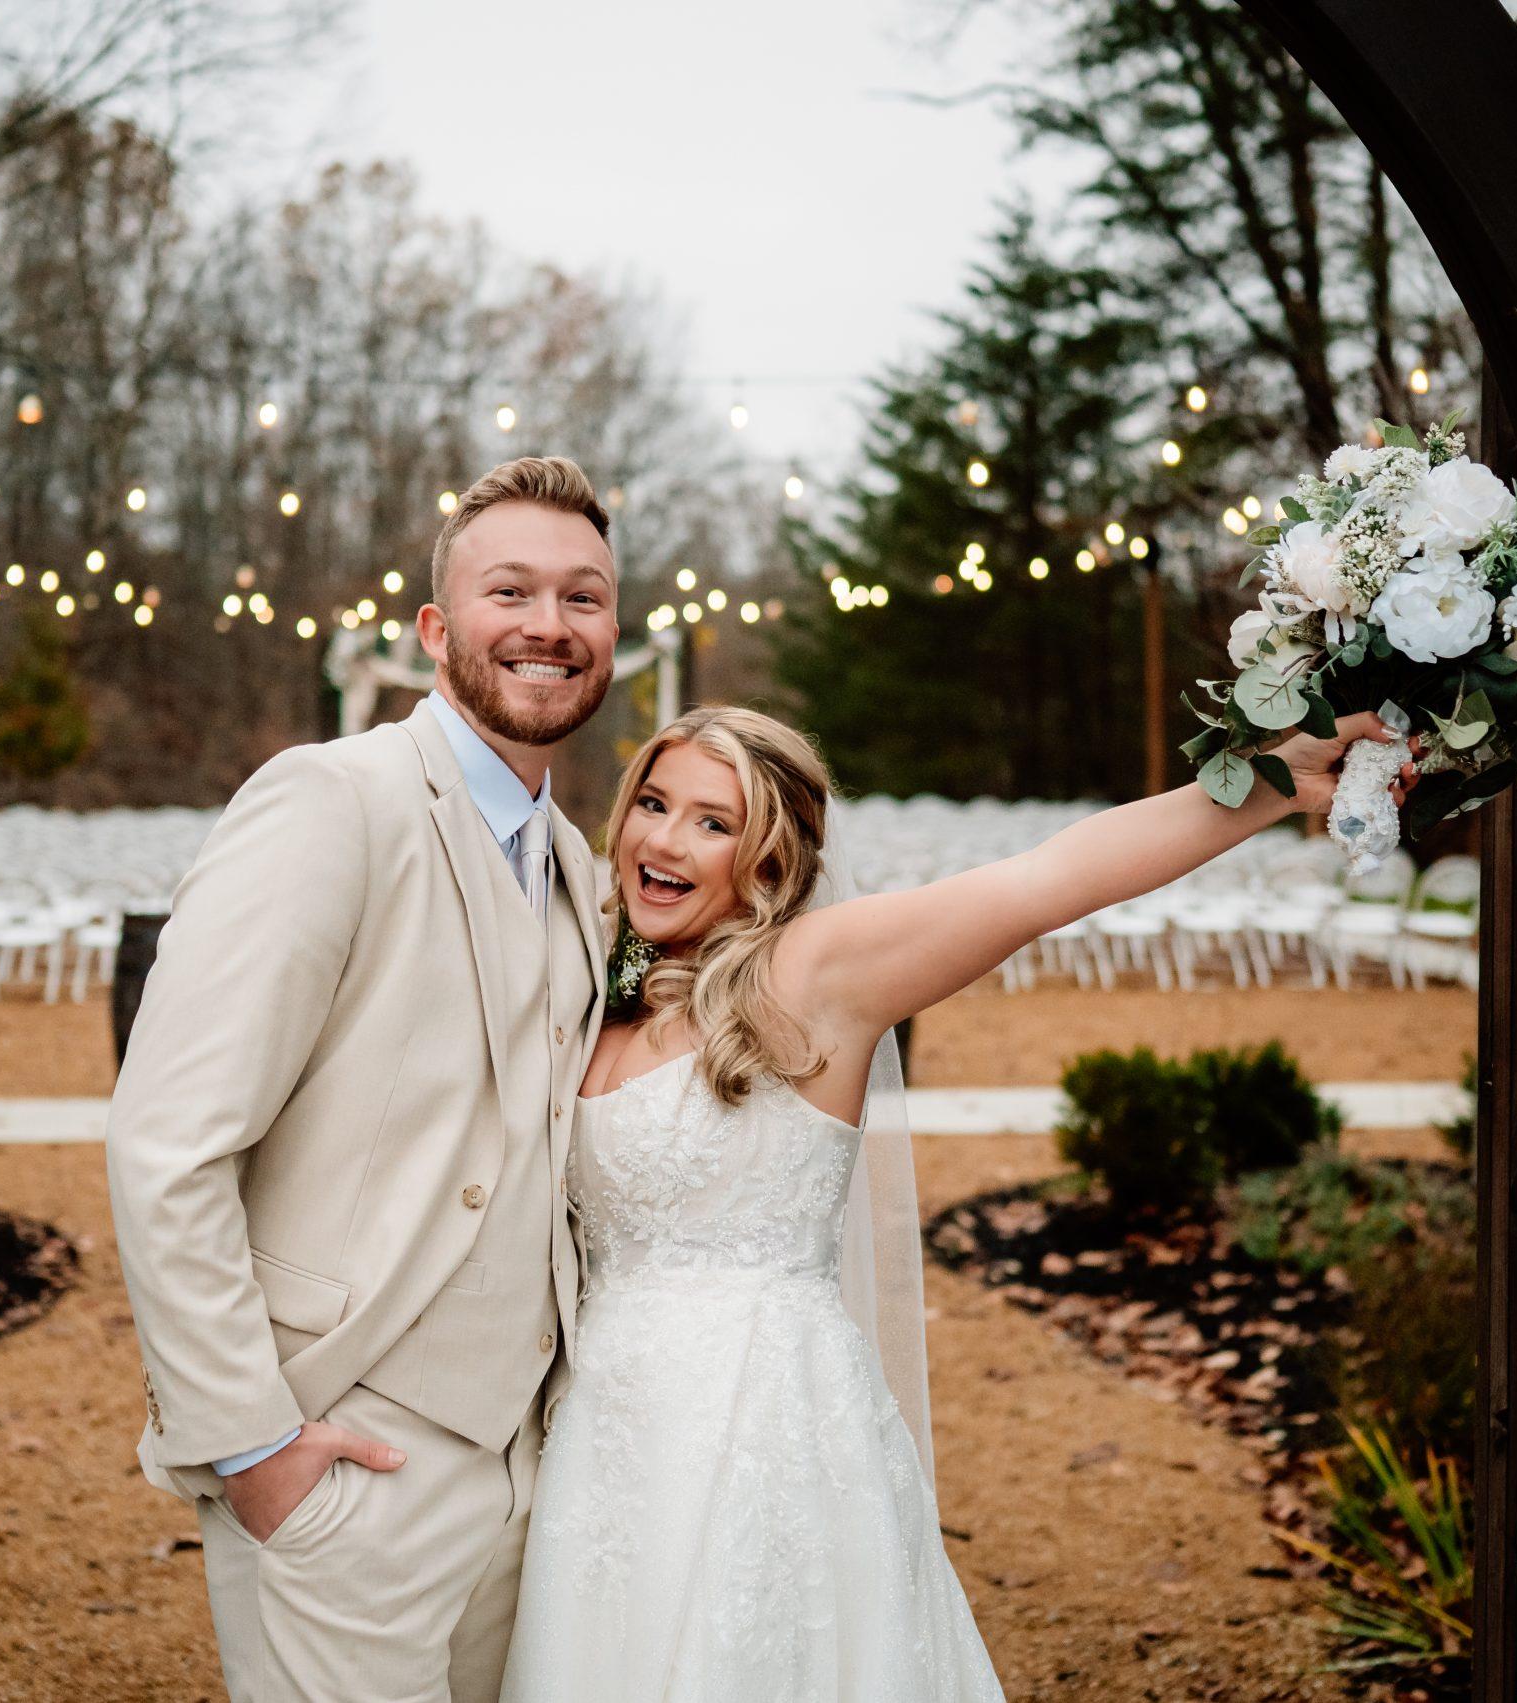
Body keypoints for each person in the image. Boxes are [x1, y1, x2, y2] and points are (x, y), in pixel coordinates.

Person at [497, 703, 1418, 1701]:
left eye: (712, 821)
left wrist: (1274, 781)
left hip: (757, 1428)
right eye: (654, 803)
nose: (663, 840)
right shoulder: (597, 994)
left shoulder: (810, 975)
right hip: (602, 1440)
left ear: (766, 860)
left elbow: (1046, 879)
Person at [105, 455, 622, 1703]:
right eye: (512, 590)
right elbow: (167, 1141)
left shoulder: (574, 860)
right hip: (342, 1465)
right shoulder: (329, 800)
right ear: (437, 630)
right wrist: (254, 1445)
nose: (549, 625)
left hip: (524, 1473)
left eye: (584, 597)